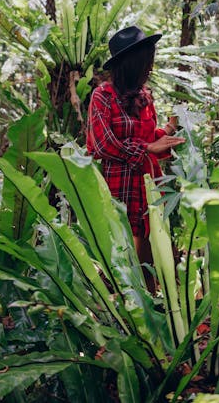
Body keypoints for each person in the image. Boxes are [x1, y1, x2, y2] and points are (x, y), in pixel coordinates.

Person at [86, 25, 185, 292]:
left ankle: (154, 305)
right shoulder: (102, 96)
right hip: (119, 186)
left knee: (151, 252)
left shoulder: (145, 97)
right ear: (132, 64)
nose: (150, 68)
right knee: (124, 251)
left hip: (149, 184)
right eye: (147, 62)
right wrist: (147, 149)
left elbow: (151, 137)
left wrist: (170, 131)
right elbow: (102, 144)